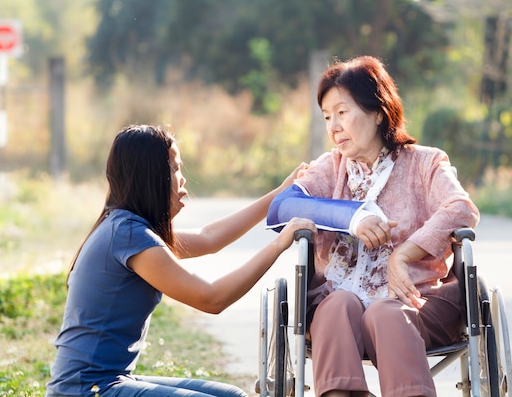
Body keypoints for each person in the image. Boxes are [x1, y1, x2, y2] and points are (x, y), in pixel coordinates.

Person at [46, 124, 316, 397]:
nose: (182, 179)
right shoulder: (129, 235)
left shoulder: (127, 227)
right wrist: (279, 244)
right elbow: (212, 299)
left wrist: (279, 194)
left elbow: (209, 238)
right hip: (86, 389)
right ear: (152, 176)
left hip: (108, 380)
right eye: (175, 169)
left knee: (231, 395)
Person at [267, 56, 480, 397]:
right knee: (337, 305)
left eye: (342, 112)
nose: (333, 127)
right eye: (326, 117)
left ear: (378, 112)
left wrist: (403, 256)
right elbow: (280, 208)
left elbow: (462, 208)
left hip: (418, 302)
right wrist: (353, 218)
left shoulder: (425, 163)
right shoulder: (330, 168)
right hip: (337, 306)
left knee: (386, 312)